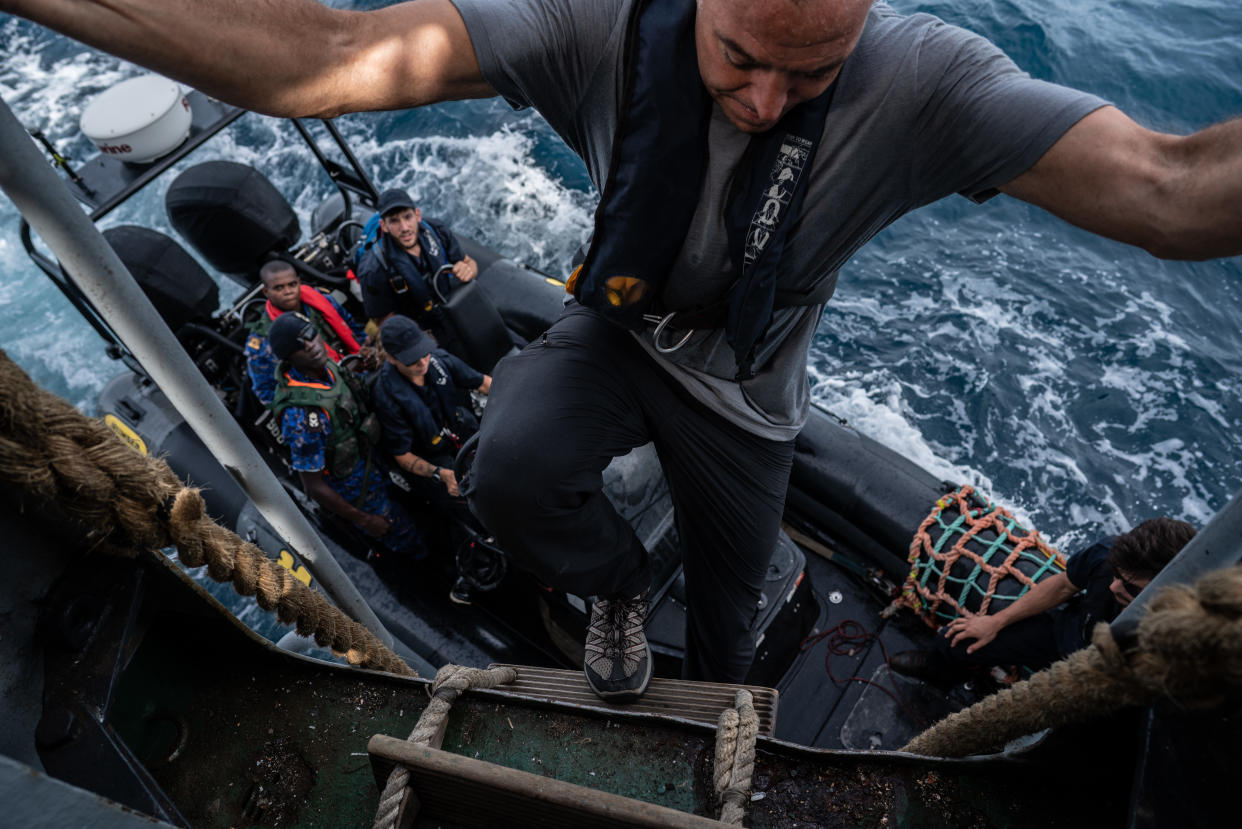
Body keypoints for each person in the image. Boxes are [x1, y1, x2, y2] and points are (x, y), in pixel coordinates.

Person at [9, 0, 1239, 704]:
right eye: (740, 59)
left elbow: (1171, 186)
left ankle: (714, 721)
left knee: (731, 610)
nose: (761, 102)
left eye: (805, 75)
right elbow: (328, 60)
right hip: (616, 330)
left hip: (752, 394)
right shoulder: (598, 26)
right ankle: (602, 592)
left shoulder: (925, 85)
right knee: (506, 465)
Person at [890, 517, 1198, 683]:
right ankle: (940, 671)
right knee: (957, 640)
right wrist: (995, 622)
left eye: (1131, 587)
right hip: (1070, 635)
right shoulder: (1107, 553)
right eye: (1115, 573)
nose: (1115, 586)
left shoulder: (1180, 635)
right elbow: (1063, 586)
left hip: (1111, 679)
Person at [267, 311, 428, 560]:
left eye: (310, 336)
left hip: (377, 460)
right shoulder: (300, 414)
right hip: (360, 490)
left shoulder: (326, 368)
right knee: (404, 534)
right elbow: (313, 485)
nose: (311, 347)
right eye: (299, 346)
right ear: (290, 357)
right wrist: (365, 520)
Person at [370, 314, 493, 603]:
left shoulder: (437, 359)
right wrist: (441, 474)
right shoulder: (386, 396)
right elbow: (402, 455)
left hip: (464, 436)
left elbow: (483, 382)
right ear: (391, 358)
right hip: (434, 459)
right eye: (413, 360)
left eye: (424, 354)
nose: (423, 363)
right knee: (463, 502)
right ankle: (473, 566)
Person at [355, 188, 478, 348]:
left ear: (417, 215)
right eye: (394, 221)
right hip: (420, 330)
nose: (404, 227)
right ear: (384, 226)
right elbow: (386, 325)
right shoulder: (373, 270)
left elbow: (471, 264)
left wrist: (467, 270)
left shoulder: (437, 230)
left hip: (450, 309)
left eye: (408, 217)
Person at [245, 260, 375, 405]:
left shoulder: (322, 301)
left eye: (292, 284)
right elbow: (267, 394)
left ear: (299, 282)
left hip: (358, 371)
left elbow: (354, 330)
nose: (288, 292)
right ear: (266, 292)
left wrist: (367, 352)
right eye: (279, 288)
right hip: (324, 398)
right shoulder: (263, 339)